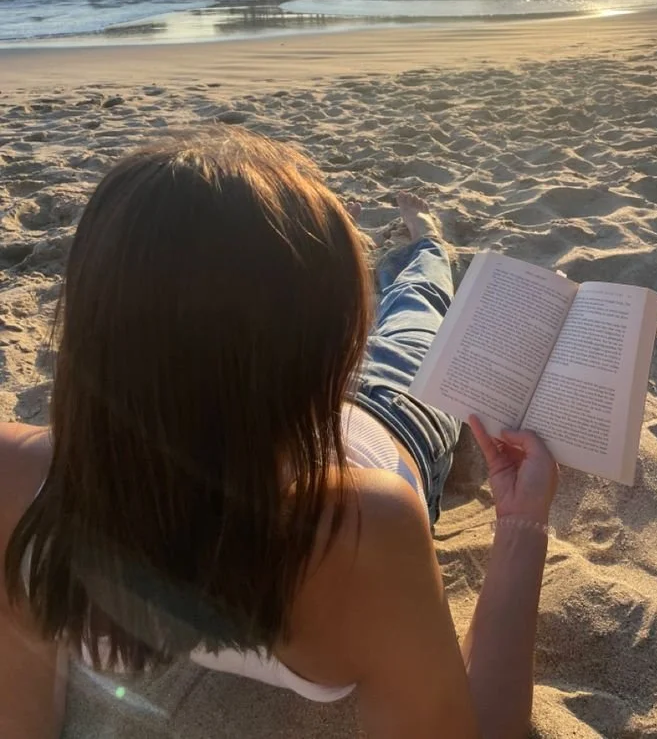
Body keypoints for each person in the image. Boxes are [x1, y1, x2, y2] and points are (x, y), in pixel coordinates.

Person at [0, 128, 558, 739]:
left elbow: (21, 716)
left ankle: (422, 245)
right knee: (417, 320)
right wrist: (522, 522)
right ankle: (429, 249)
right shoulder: (362, 530)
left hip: (296, 416)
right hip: (387, 428)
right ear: (326, 364)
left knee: (407, 329)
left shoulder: (14, 471)